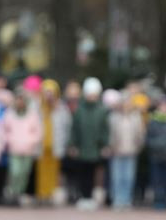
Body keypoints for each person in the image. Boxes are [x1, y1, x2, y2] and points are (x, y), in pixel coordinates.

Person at [68, 77, 110, 210]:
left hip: (95, 148)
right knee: (82, 174)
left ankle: (90, 197)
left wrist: (105, 145)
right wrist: (73, 144)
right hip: (82, 148)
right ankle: (83, 197)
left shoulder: (102, 111)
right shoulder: (79, 110)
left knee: (93, 174)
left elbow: (104, 130)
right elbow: (74, 129)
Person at [36, 79, 71, 204]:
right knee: (40, 172)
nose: (49, 96)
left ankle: (50, 194)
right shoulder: (37, 108)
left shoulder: (62, 109)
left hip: (55, 145)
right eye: (47, 92)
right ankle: (41, 194)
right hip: (40, 146)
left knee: (53, 172)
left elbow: (67, 126)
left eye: (52, 93)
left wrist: (66, 143)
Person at [108, 91, 145, 209]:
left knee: (129, 177)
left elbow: (140, 133)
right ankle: (117, 199)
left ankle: (127, 199)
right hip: (117, 151)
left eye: (128, 102)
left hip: (131, 151)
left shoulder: (136, 117)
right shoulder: (114, 117)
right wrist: (112, 146)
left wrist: (139, 145)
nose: (126, 104)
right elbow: (110, 133)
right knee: (117, 177)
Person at [3, 90, 42, 204]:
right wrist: (10, 140)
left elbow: (38, 131)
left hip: (28, 149)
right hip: (14, 148)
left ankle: (19, 193)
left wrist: (31, 142)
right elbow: (5, 130)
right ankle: (13, 192)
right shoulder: (10, 114)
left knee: (24, 173)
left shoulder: (32, 114)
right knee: (15, 172)